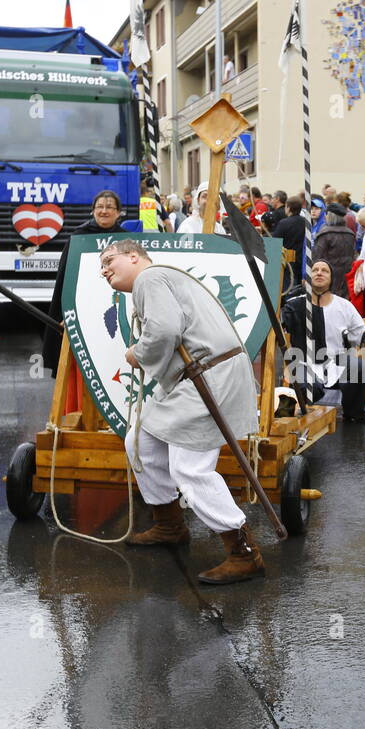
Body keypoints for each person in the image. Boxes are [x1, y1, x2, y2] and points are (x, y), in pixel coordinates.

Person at [100, 239, 264, 584]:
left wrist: (137, 354)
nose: (104, 269)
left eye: (109, 260)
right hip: (193, 380)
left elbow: (163, 332)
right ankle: (169, 526)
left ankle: (243, 553)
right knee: (140, 442)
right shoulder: (159, 281)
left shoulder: (151, 278)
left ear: (134, 256)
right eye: (101, 266)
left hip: (209, 377)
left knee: (189, 468)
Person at [281, 259, 365, 425]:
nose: (319, 272)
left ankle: (354, 413)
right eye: (315, 270)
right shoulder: (294, 305)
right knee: (308, 388)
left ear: (331, 278)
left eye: (324, 270)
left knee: (359, 367)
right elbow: (281, 329)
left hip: (336, 359)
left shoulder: (344, 305)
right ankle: (298, 418)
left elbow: (359, 332)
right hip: (303, 360)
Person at [43, 189, 124, 376]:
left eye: (110, 207)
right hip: (85, 304)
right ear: (93, 211)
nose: (104, 211)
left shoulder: (126, 240)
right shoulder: (78, 237)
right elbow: (67, 278)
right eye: (100, 207)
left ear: (118, 213)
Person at [311, 204, 357, 297]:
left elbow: (317, 257)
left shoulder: (325, 234)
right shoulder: (350, 234)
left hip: (327, 276)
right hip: (345, 277)